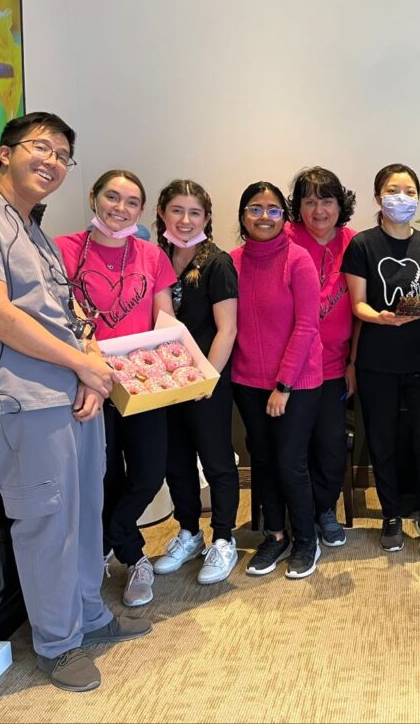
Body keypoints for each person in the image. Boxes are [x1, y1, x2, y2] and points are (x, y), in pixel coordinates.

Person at [0, 112, 149, 693]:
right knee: (46, 518)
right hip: (25, 396)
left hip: (73, 392)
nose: (52, 161)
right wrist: (81, 365)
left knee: (85, 508)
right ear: (4, 152)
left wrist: (90, 367)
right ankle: (57, 641)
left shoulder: (32, 227)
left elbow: (66, 312)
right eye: (41, 148)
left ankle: (88, 613)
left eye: (63, 155)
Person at [56, 170, 176, 608]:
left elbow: (164, 319)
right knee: (103, 478)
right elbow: (59, 317)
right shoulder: (63, 250)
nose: (120, 208)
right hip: (90, 383)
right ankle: (135, 557)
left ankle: (105, 540)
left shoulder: (151, 255)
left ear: (141, 210)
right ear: (93, 197)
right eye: (112, 197)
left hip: (143, 383)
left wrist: (177, 366)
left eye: (131, 202)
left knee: (149, 475)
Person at [343, 163, 420, 555]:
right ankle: (391, 515)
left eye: (409, 191)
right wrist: (381, 317)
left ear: (418, 198)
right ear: (378, 197)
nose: (401, 198)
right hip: (376, 360)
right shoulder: (362, 245)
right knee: (382, 440)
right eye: (392, 190)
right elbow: (357, 304)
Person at [230, 181, 324, 579]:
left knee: (289, 462)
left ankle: (306, 540)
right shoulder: (231, 262)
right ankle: (276, 535)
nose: (264, 217)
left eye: (273, 210)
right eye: (255, 208)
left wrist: (283, 385)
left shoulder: (297, 259)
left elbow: (306, 325)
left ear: (284, 216)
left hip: (296, 382)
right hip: (247, 380)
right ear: (243, 216)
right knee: (263, 460)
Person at [151, 180, 240, 584]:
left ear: (206, 218)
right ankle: (189, 533)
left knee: (217, 461)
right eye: (177, 210)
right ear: (162, 213)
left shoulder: (217, 263)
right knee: (176, 461)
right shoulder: (155, 258)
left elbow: (227, 329)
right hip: (165, 383)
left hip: (206, 382)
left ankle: (223, 539)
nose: (185, 220)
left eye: (195, 213)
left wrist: (206, 381)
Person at [286, 166, 357, 547]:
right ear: (298, 207)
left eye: (326, 201)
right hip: (291, 369)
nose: (318, 211)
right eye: (309, 202)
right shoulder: (284, 238)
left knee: (331, 444)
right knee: (294, 446)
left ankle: (324, 510)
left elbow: (362, 311)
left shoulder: (354, 243)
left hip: (334, 367)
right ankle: (299, 514)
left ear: (339, 204)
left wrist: (353, 363)